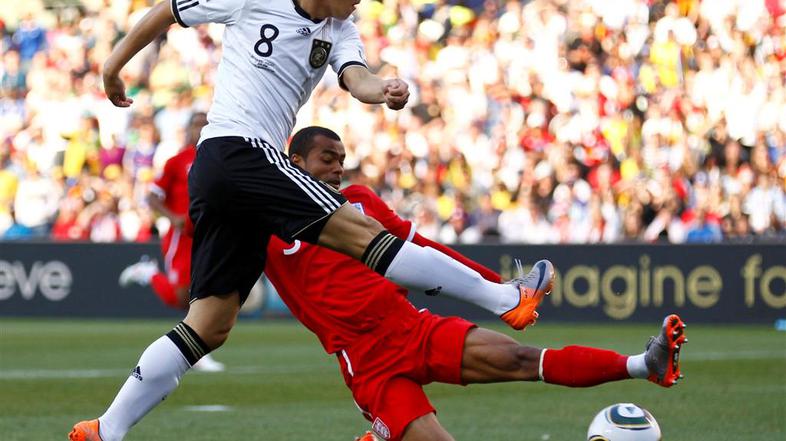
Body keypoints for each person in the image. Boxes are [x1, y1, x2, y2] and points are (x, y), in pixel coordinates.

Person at [70, 1, 552, 440]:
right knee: (368, 235)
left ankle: (105, 429)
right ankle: (506, 298)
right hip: (242, 150)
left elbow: (357, 79)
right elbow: (168, 10)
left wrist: (382, 89)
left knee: (208, 324)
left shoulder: (340, 27)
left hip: (220, 172)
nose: (360, 1)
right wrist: (112, 67)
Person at [262, 127, 687, 441]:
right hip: (368, 360)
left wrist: (499, 285)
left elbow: (424, 248)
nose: (337, 168)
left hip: (413, 327)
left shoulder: (360, 200)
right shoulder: (267, 227)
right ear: (295, 162)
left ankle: (644, 365)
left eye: (341, 159)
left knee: (523, 359)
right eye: (326, 159)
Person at [118, 112, 225, 372]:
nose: (200, 129)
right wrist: (172, 217)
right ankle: (149, 273)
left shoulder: (220, 158)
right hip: (182, 236)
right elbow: (152, 197)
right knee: (181, 297)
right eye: (196, 124)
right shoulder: (177, 161)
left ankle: (197, 351)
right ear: (187, 130)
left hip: (211, 235)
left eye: (205, 124)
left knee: (204, 293)